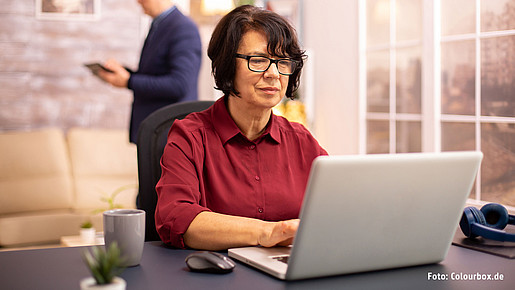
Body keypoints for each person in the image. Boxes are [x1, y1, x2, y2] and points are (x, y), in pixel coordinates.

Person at [155, 5, 327, 250]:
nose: (273, 74)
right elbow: (175, 218)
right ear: (227, 65)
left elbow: (336, 209)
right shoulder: (189, 137)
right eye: (258, 60)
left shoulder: (302, 141)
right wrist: (267, 232)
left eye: (283, 62)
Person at [98, 0, 202, 143]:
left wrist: (129, 81)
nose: (138, 1)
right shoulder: (159, 25)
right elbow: (155, 74)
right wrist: (125, 74)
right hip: (155, 134)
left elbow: (180, 84)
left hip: (170, 136)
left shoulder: (183, 27)